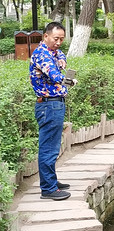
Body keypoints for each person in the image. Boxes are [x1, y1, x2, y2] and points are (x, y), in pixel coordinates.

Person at [30, 22, 76, 200]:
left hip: (53, 104)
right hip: (48, 105)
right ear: (46, 37)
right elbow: (53, 74)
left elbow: (58, 54)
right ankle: (48, 188)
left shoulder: (52, 52)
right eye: (56, 39)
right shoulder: (42, 54)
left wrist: (62, 57)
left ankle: (51, 181)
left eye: (62, 39)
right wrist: (69, 81)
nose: (58, 42)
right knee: (48, 148)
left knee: (52, 146)